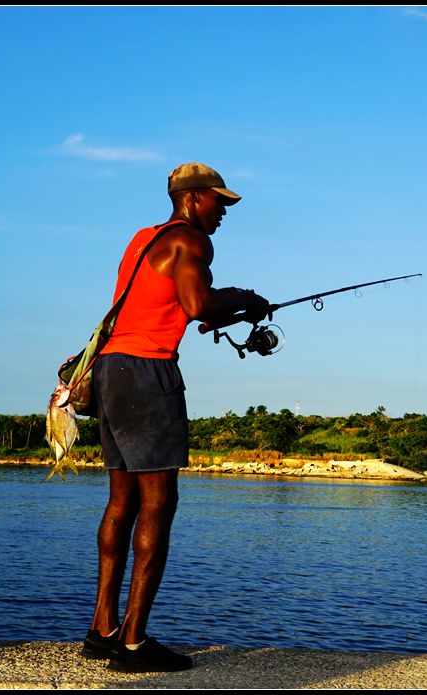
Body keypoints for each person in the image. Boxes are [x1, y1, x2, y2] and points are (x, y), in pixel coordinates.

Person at [81, 162, 271, 673]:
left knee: (121, 500)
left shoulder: (145, 238)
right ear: (192, 200)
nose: (223, 212)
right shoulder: (192, 240)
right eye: (218, 202)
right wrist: (247, 298)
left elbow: (181, 305)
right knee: (158, 506)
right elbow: (197, 302)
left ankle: (102, 629)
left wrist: (225, 307)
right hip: (147, 373)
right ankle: (134, 643)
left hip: (108, 370)